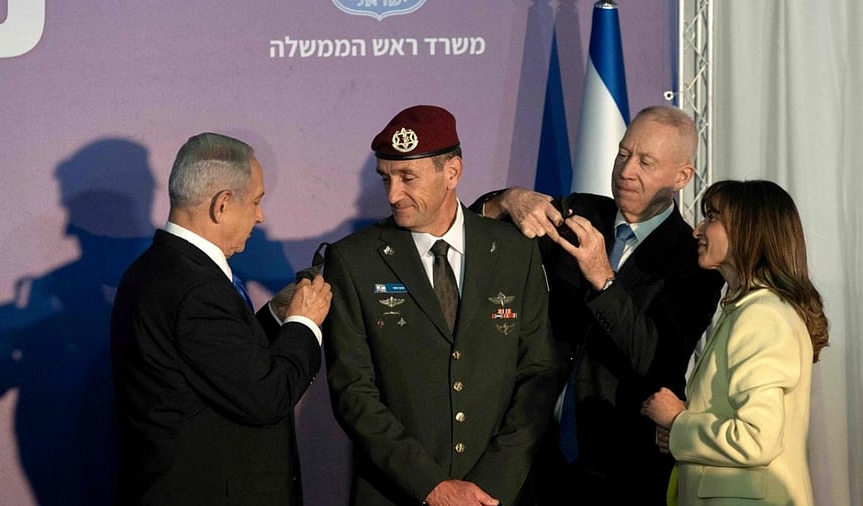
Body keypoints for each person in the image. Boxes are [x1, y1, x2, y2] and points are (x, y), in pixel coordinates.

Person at [472, 105, 725, 504]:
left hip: (621, 468)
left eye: (646, 161)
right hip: (530, 455)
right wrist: (506, 200)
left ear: (681, 176)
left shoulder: (695, 261)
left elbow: (656, 360)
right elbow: (474, 241)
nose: (626, 171)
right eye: (624, 153)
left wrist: (602, 277)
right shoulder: (577, 212)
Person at [323, 105, 558, 506]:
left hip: (499, 496)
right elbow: (353, 391)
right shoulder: (354, 260)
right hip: (397, 493)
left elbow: (538, 372)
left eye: (407, 177)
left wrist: (491, 486)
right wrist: (431, 485)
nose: (393, 194)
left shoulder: (516, 253)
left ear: (452, 172)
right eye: (386, 179)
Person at [110, 132, 332, 506]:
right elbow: (265, 395)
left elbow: (217, 364)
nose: (260, 216)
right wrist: (304, 325)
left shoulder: (152, 270)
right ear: (223, 205)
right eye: (256, 202)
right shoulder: (198, 289)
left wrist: (277, 318)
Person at [641, 179, 829, 506]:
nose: (697, 230)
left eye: (712, 217)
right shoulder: (750, 310)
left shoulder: (761, 315)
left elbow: (757, 439)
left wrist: (678, 421)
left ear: (749, 231)